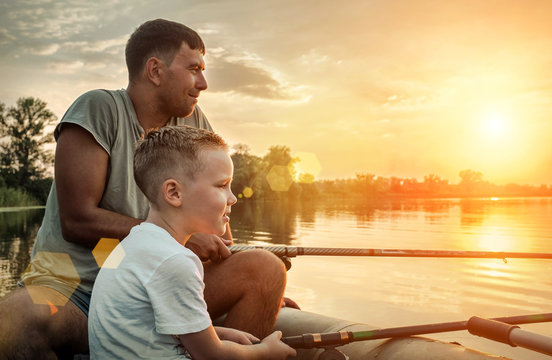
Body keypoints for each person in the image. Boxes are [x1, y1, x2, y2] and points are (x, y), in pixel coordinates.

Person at [0, 19, 289, 359]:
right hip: (72, 287)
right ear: (155, 70)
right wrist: (179, 240)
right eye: (194, 68)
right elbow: (76, 221)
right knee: (14, 321)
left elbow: (214, 214)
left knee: (266, 269)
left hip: (159, 282)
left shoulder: (194, 123)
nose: (203, 83)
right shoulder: (98, 109)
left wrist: (251, 280)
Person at [88, 125, 296, 360]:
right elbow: (210, 355)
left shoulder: (132, 245)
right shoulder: (176, 261)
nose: (233, 198)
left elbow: (144, 328)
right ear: (174, 193)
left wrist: (215, 332)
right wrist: (264, 352)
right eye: (221, 185)